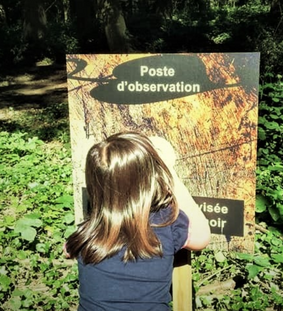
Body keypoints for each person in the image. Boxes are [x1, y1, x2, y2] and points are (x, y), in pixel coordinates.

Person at [65, 131, 211, 311]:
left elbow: (67, 250)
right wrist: (170, 173)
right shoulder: (166, 222)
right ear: (151, 178)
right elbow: (202, 237)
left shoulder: (85, 234)